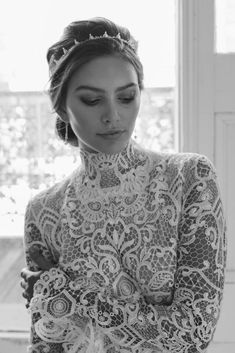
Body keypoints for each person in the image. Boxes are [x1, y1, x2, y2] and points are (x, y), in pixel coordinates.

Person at [20, 17, 227, 353]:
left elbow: (194, 331)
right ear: (60, 106)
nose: (113, 116)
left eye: (127, 97)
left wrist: (66, 297)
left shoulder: (189, 178)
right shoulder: (44, 210)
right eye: (91, 100)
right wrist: (52, 302)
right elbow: (47, 342)